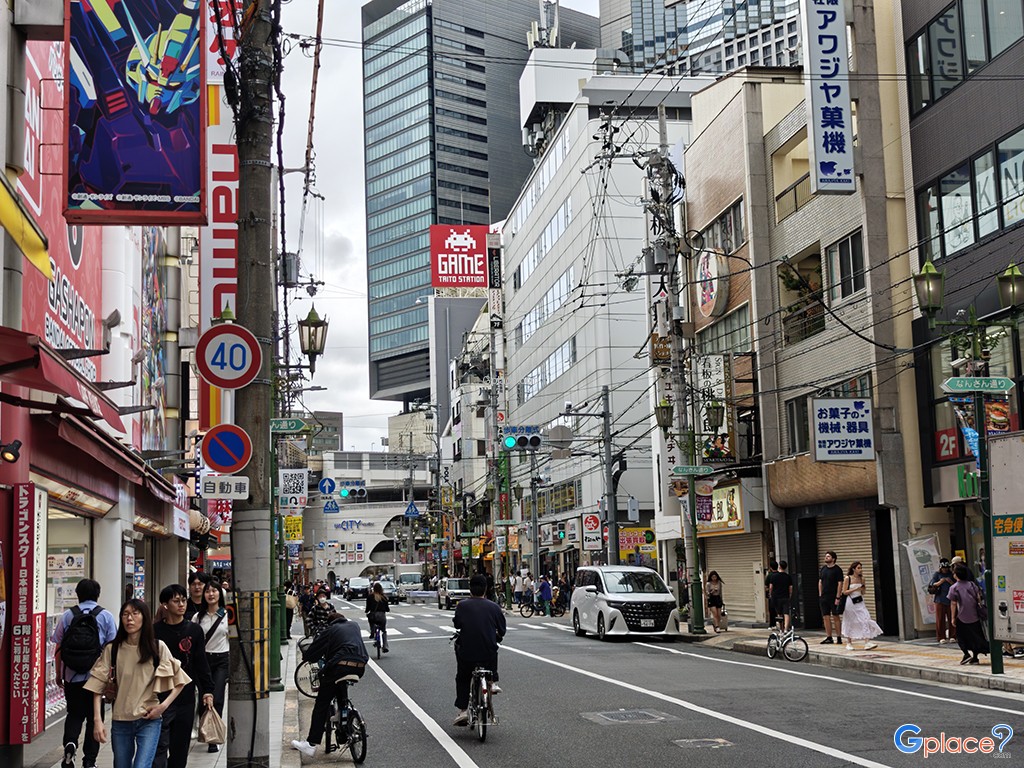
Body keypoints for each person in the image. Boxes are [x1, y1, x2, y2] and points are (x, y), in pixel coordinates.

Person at [84, 599, 191, 768]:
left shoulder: (157, 647)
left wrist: (162, 707)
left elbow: (180, 681)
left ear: (145, 618)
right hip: (120, 720)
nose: (129, 619)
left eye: (135, 614)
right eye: (125, 614)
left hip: (149, 721)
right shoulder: (112, 649)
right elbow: (97, 685)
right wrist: (98, 720)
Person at [53, 578, 118, 768]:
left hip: (71, 675)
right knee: (93, 718)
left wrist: (59, 673)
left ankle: (70, 746)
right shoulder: (105, 616)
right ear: (97, 595)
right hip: (96, 677)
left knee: (73, 714)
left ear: (77, 594)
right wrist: (111, 676)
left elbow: (58, 646)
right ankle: (89, 761)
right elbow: (112, 648)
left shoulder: (67, 616)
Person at [290, 614, 368, 757]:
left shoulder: (330, 630)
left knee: (322, 703)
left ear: (330, 623)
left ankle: (311, 744)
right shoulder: (354, 625)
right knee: (340, 684)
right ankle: (343, 713)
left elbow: (312, 653)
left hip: (340, 666)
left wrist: (308, 656)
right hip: (360, 666)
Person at [152, 586, 214, 768]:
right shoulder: (154, 632)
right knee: (159, 749)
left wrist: (208, 690)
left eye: (183, 600)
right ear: (164, 604)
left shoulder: (194, 630)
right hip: (159, 697)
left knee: (180, 750)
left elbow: (201, 662)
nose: (181, 604)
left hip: (186, 697)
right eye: (176, 601)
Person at [452, 574, 506, 726]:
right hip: (487, 654)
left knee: (463, 677)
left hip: (467, 653)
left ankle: (463, 710)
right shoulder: (494, 607)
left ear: (470, 589)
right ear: (486, 589)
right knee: (492, 648)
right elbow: (502, 630)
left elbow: (457, 624)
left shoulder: (462, 605)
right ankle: (493, 681)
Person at [192, 581, 229, 750]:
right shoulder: (198, 617)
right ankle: (205, 729)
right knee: (202, 698)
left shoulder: (228, 615)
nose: (211, 594)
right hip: (203, 661)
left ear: (220, 594)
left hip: (222, 660)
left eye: (214, 591)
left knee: (218, 697)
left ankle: (213, 738)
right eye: (208, 591)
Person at [948, 564, 988, 665]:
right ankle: (975, 657)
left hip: (962, 616)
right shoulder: (972, 585)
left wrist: (952, 618)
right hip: (974, 615)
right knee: (975, 636)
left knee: (961, 636)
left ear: (956, 575)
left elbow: (953, 603)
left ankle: (966, 654)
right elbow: (978, 597)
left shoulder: (954, 587)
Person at [841, 561, 881, 651]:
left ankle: (867, 642)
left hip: (860, 601)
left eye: (861, 567)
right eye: (858, 568)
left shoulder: (862, 578)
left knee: (865, 619)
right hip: (850, 602)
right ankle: (849, 642)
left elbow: (863, 592)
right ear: (853, 569)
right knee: (850, 621)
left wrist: (863, 589)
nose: (860, 570)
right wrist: (855, 589)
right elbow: (844, 592)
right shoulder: (848, 578)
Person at [927, 558, 957, 644]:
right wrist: (942, 581)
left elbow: (956, 584)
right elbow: (933, 584)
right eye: (944, 568)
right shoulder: (937, 574)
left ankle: (953, 636)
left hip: (950, 599)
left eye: (947, 567)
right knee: (940, 619)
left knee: (952, 618)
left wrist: (950, 581)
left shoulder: (951, 574)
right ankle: (941, 637)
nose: (945, 569)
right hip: (939, 599)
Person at [818, 551, 844, 644]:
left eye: (828, 556)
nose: (826, 558)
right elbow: (820, 581)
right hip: (824, 596)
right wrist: (820, 594)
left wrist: (838, 597)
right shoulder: (823, 569)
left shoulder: (837, 570)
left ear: (833, 559)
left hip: (833, 596)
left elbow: (840, 583)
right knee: (825, 616)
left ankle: (839, 637)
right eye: (826, 556)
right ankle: (829, 637)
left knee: (836, 616)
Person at [767, 561, 794, 632]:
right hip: (785, 597)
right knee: (786, 613)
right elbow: (790, 588)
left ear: (779, 566)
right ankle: (786, 628)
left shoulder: (774, 576)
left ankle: (781, 629)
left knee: (779, 614)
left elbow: (770, 587)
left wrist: (770, 594)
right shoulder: (788, 577)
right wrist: (790, 595)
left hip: (776, 597)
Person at [365, 581, 390, 653]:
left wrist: (367, 611)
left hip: (373, 615)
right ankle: (385, 646)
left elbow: (368, 608)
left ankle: (372, 631)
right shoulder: (384, 597)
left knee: (371, 620)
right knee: (384, 631)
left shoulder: (370, 596)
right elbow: (387, 608)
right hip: (381, 616)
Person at [764, 560, 779, 628]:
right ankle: (781, 624)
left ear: (770, 567)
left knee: (772, 610)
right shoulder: (780, 574)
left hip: (772, 595)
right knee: (780, 610)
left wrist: (769, 593)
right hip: (780, 595)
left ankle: (772, 624)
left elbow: (766, 586)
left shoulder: (769, 576)